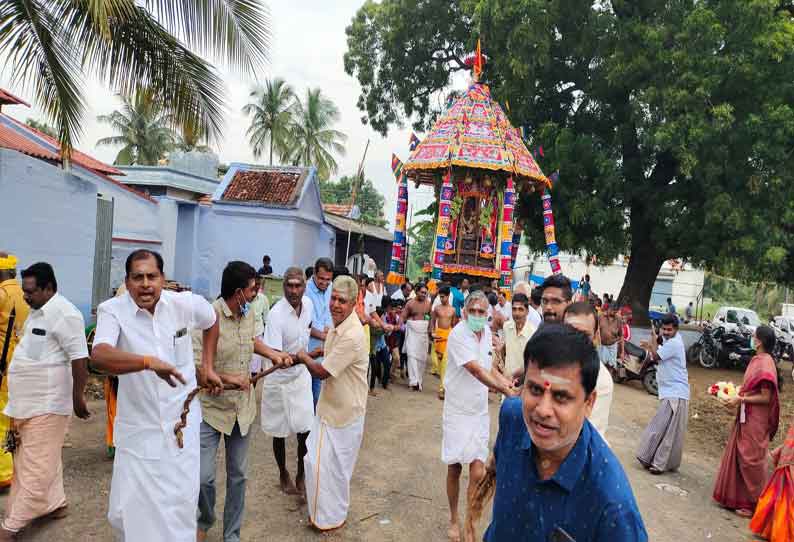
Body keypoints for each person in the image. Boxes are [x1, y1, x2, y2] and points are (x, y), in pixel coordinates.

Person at [90, 250, 227, 541]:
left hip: (182, 431)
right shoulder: (112, 311)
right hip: (139, 432)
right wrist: (147, 362)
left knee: (178, 506)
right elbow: (99, 355)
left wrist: (208, 365)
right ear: (127, 282)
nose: (145, 284)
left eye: (152, 276)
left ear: (163, 279)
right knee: (131, 511)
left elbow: (212, 319)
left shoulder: (184, 305)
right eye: (137, 277)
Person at [481, 324, 647, 541]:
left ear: (589, 402)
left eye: (561, 397)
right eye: (535, 389)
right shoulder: (513, 417)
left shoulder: (612, 507)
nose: (542, 410)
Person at [194, 261, 292, 542]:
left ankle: (232, 535)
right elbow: (196, 368)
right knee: (203, 478)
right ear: (238, 293)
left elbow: (253, 340)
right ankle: (205, 517)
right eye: (252, 289)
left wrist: (274, 355)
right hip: (211, 410)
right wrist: (227, 379)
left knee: (238, 476)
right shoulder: (207, 318)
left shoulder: (249, 313)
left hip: (241, 411)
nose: (256, 293)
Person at [0, 263, 90, 539]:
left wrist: (78, 397)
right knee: (37, 459)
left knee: (35, 467)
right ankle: (57, 504)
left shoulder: (66, 314)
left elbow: (79, 358)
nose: (25, 296)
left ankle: (11, 525)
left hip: (49, 404)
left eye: (31, 291)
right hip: (27, 404)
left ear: (49, 288)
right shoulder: (38, 313)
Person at [443, 291, 518, 542]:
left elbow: (489, 369)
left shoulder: (487, 334)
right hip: (457, 410)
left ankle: (469, 522)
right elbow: (475, 371)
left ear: (488, 314)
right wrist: (505, 389)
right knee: (454, 466)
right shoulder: (457, 335)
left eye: (481, 312)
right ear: (464, 312)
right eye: (472, 311)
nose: (476, 315)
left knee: (477, 471)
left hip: (478, 411)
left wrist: (507, 384)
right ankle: (454, 518)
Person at [296, 275, 368, 531]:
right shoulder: (340, 326)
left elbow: (321, 372)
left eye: (342, 301)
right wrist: (311, 354)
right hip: (333, 409)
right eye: (333, 299)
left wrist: (303, 357)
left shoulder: (352, 334)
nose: (336, 304)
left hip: (344, 414)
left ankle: (327, 519)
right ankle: (326, 515)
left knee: (329, 469)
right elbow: (329, 351)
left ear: (353, 303)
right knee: (323, 466)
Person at [261, 267, 319, 496]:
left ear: (305, 287)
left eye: (298, 285)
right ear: (284, 286)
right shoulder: (276, 315)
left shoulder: (309, 306)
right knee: (280, 431)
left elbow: (307, 331)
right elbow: (277, 358)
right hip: (279, 379)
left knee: (305, 428)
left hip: (300, 378)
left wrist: (321, 338)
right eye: (289, 285)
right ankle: (283, 472)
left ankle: (301, 474)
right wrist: (307, 357)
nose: (293, 290)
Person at [713, 325, 780, 517]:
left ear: (759, 341)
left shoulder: (766, 364)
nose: (751, 338)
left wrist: (741, 398)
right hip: (747, 414)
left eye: (753, 336)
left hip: (756, 419)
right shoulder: (758, 360)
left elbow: (766, 398)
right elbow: (753, 389)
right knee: (740, 456)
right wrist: (735, 391)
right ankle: (737, 499)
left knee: (752, 460)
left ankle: (757, 505)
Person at [636, 313, 689, 474]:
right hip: (670, 391)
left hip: (677, 393)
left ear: (676, 329)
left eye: (669, 330)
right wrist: (654, 338)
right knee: (661, 427)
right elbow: (658, 343)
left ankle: (658, 464)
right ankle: (650, 458)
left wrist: (652, 339)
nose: (665, 332)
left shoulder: (674, 344)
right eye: (664, 329)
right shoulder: (669, 340)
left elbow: (654, 356)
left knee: (667, 431)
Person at [563, 302, 615, 440]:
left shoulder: (600, 380)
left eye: (584, 335)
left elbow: (584, 435)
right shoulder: (552, 365)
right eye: (570, 333)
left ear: (596, 336)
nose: (576, 341)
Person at [0, 253, 29, 491]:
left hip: (3, 367)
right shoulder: (25, 294)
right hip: (21, 366)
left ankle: (4, 473)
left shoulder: (1, 294)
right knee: (15, 419)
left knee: (0, 420)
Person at [750, 420, 794, 540]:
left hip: (789, 460)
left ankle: (783, 533)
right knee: (780, 495)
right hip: (788, 456)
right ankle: (774, 531)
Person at [306, 258, 334, 408]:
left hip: (325, 354)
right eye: (321, 279)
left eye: (328, 280)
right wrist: (326, 334)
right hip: (308, 353)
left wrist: (327, 330)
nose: (325, 283)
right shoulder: (305, 291)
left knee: (319, 398)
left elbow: (331, 316)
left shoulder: (331, 288)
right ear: (314, 275)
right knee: (310, 397)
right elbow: (307, 326)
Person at [402, 282, 432, 391]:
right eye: (422, 292)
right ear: (416, 291)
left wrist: (430, 329)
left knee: (421, 358)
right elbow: (403, 316)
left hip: (423, 333)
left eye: (425, 293)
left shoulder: (428, 304)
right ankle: (412, 381)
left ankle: (418, 380)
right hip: (412, 333)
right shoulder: (410, 304)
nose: (424, 294)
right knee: (411, 356)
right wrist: (397, 326)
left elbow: (431, 318)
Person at [500, 293, 536, 382]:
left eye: (520, 309)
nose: (517, 313)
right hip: (506, 380)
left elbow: (532, 363)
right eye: (514, 309)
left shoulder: (533, 333)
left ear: (527, 311)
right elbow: (504, 350)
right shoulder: (506, 327)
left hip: (522, 382)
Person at [430, 286, 458, 400]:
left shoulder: (453, 310)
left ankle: (442, 389)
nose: (442, 299)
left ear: (448, 296)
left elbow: (454, 325)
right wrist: (432, 332)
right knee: (438, 362)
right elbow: (432, 322)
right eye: (440, 297)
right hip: (438, 335)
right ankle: (443, 386)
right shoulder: (436, 309)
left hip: (448, 336)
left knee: (445, 363)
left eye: (443, 297)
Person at [249, 275, 271, 377]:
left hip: (257, 337)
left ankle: (252, 388)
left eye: (259, 284)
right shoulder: (244, 297)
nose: (257, 287)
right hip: (244, 336)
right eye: (255, 284)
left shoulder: (263, 299)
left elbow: (267, 320)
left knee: (255, 370)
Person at [598, 303, 624, 368]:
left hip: (612, 346)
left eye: (615, 311)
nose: (613, 312)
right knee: (602, 367)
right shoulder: (600, 316)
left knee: (612, 367)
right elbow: (595, 330)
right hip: (601, 346)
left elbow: (621, 335)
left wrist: (622, 352)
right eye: (612, 310)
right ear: (608, 309)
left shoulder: (618, 319)